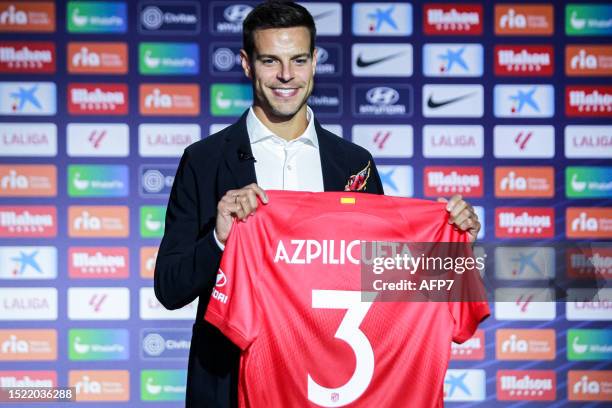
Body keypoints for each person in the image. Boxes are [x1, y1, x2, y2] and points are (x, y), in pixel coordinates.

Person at [154, 1, 481, 407]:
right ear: (246, 64)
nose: (286, 75)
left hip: (331, 387)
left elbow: (386, 281)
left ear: (315, 62)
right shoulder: (203, 161)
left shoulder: (353, 163)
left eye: (299, 60)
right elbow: (169, 287)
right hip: (228, 386)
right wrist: (220, 239)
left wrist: (451, 244)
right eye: (270, 60)